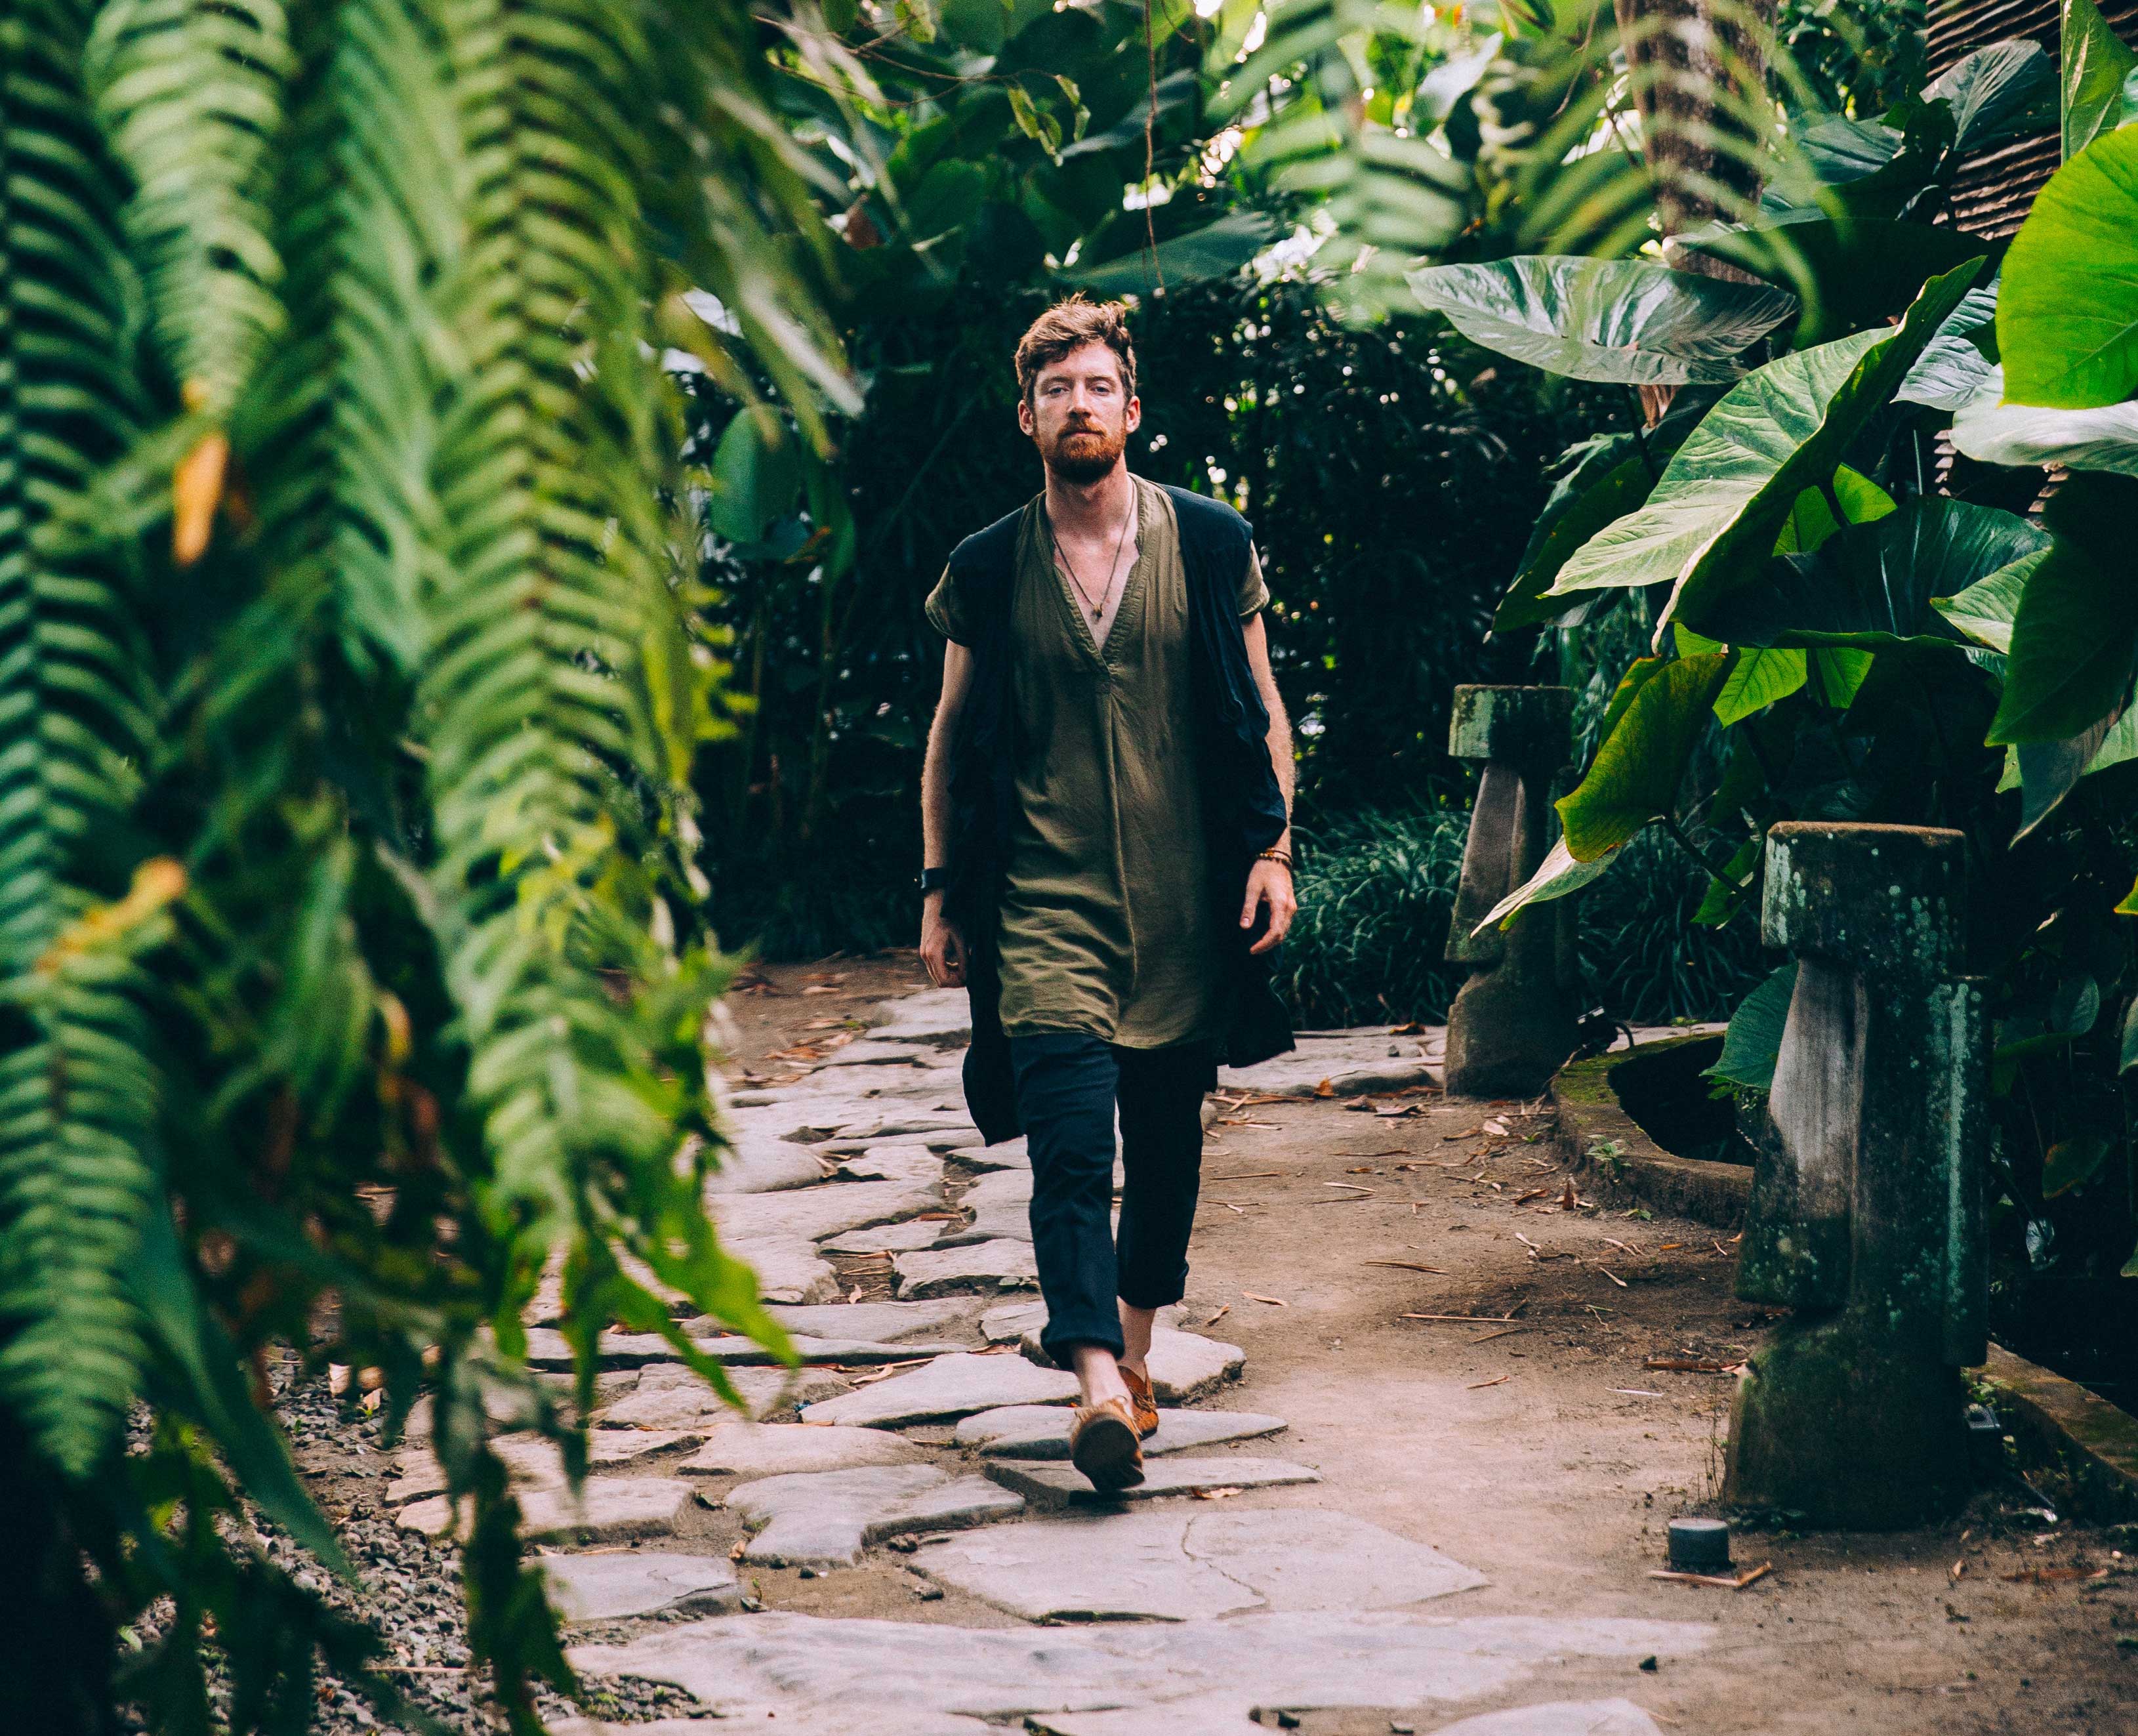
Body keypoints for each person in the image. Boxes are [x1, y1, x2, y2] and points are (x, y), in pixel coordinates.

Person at [916, 296, 1298, 1490]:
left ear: (1131, 410)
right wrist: (941, 891)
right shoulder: (986, 568)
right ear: (1027, 418)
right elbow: (948, 737)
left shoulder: (1214, 542)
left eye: (1095, 387)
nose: (1076, 406)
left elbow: (1266, 706)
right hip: (1045, 908)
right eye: (1053, 391)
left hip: (1191, 907)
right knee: (1072, 1151)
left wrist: (1275, 851)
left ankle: (1132, 1363)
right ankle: (1089, 1380)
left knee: (1168, 1150)